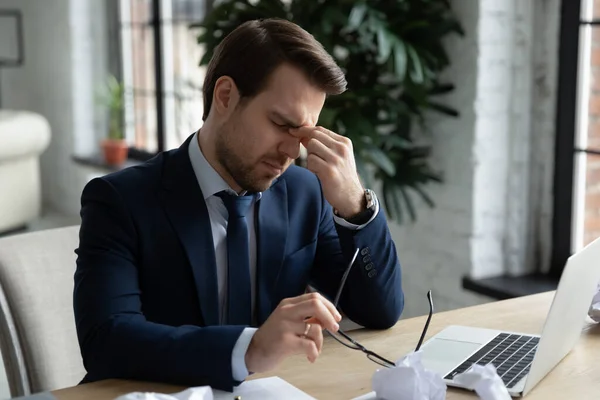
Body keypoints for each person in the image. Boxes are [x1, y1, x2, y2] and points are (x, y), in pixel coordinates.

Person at [73, 18, 404, 392]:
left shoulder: (305, 192)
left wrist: (355, 205)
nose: (292, 151)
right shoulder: (119, 200)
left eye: (305, 133)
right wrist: (248, 350)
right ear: (226, 96)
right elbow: (106, 341)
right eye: (282, 124)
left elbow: (382, 311)